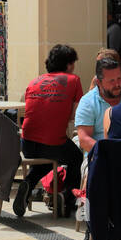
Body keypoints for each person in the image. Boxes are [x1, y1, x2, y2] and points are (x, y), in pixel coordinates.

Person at [17, 44, 85, 216]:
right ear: (68, 64)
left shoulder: (35, 81)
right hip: (53, 142)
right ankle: (67, 199)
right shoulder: (74, 80)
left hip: (27, 143)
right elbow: (75, 115)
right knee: (76, 157)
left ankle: (29, 183)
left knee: (49, 159)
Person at [75, 54, 121, 154]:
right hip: (98, 157)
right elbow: (84, 139)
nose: (117, 84)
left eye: (119, 78)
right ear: (99, 82)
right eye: (111, 81)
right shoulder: (88, 102)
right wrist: (109, 154)